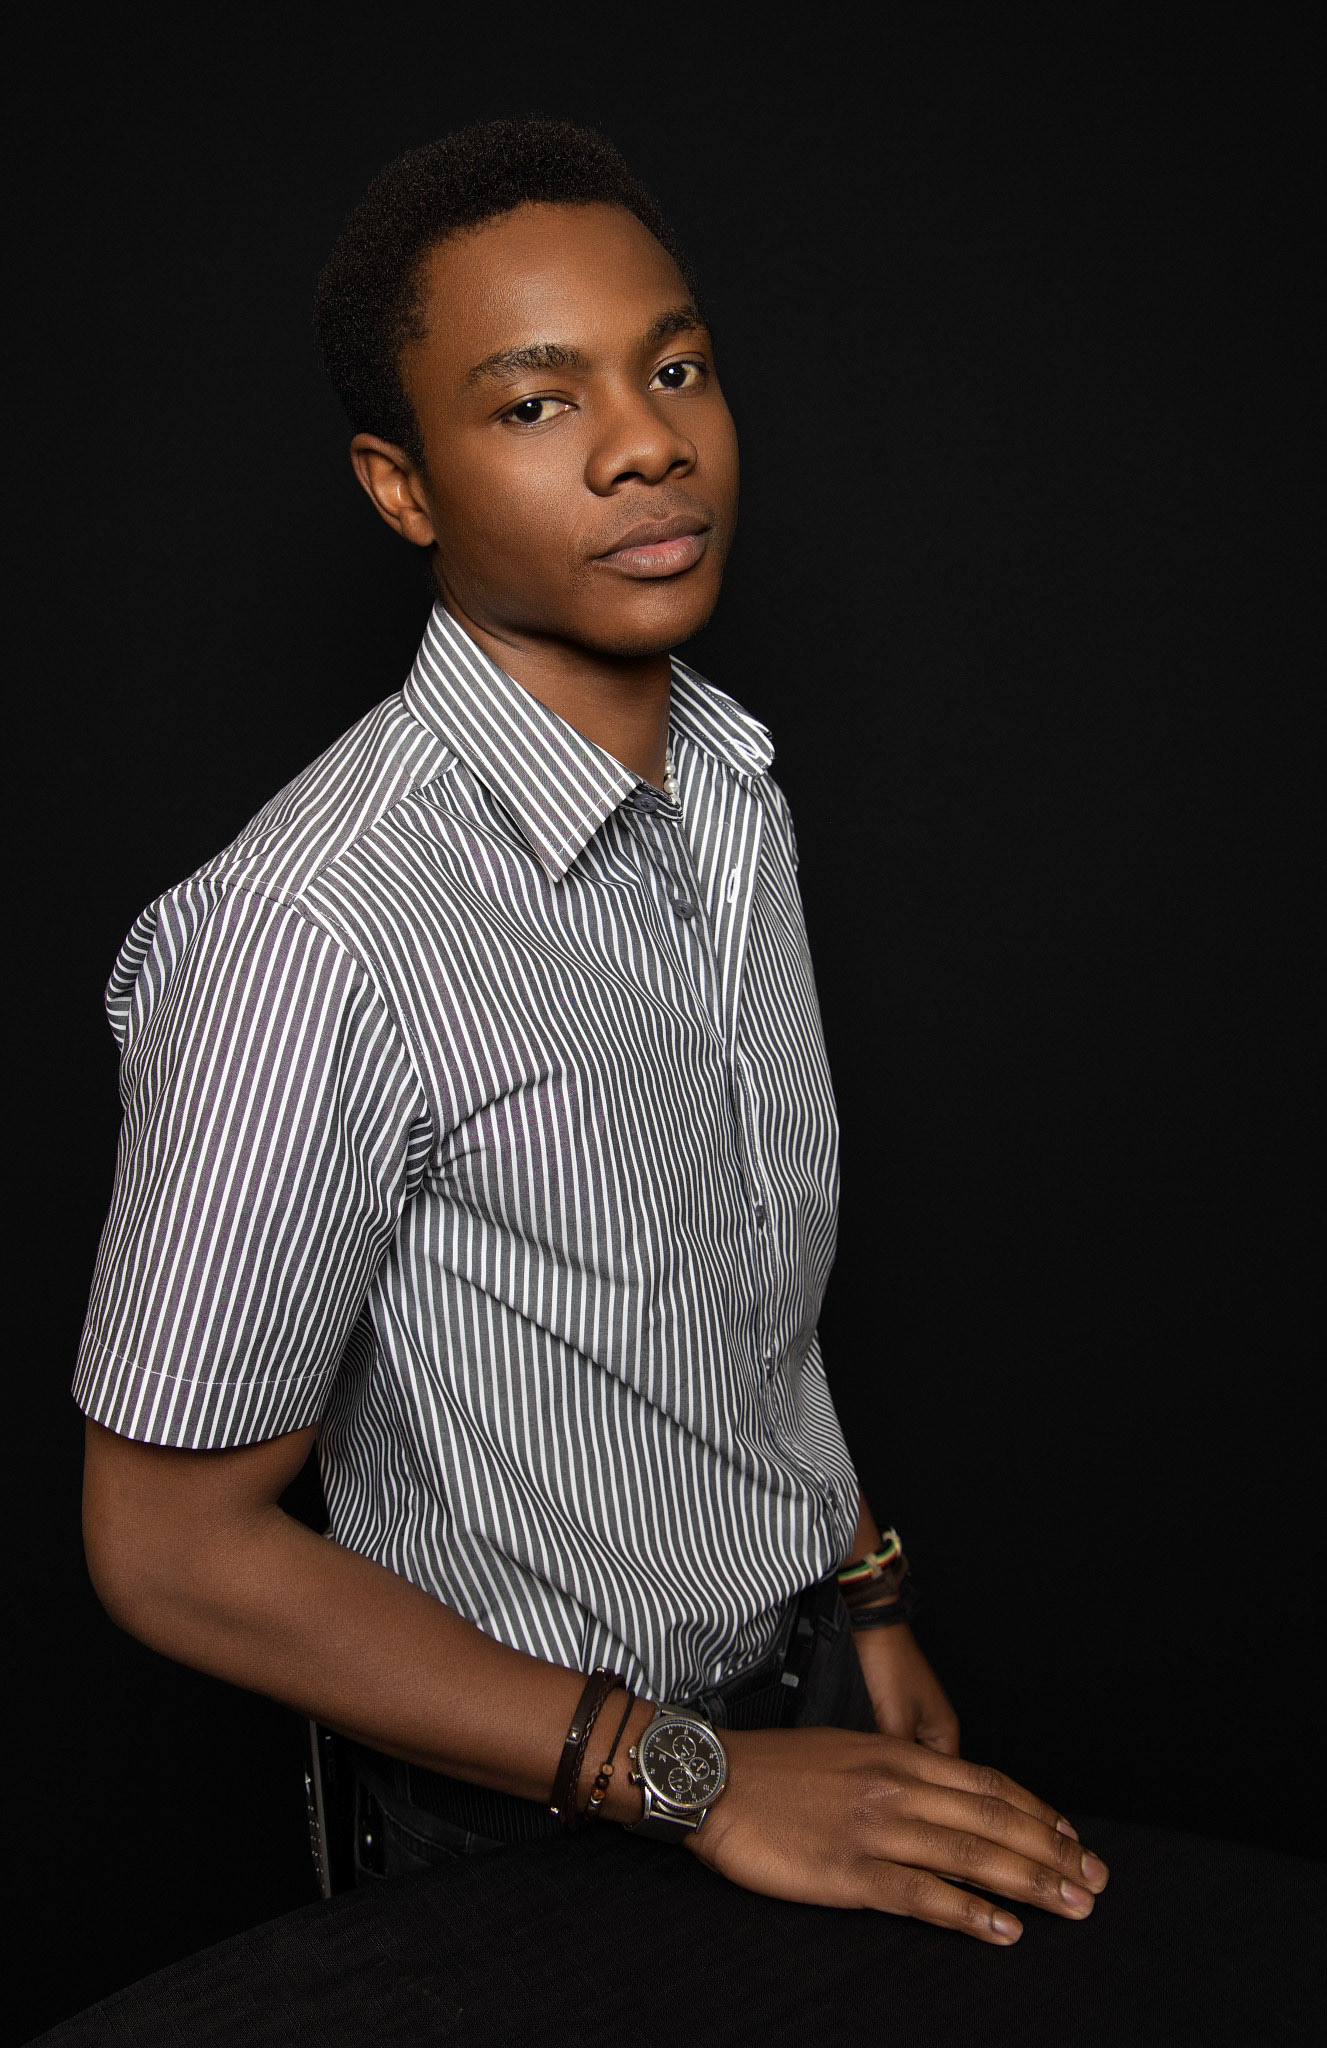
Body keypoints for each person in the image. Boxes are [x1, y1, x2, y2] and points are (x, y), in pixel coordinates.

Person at [75, 116, 1108, 1942]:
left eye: (675, 367)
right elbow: (169, 1552)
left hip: (799, 1695)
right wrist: (691, 1777)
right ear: (401, 487)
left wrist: (863, 1598)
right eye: (538, 403)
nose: (648, 442)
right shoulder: (310, 933)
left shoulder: (733, 794)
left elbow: (740, 1278)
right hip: (513, 1817)